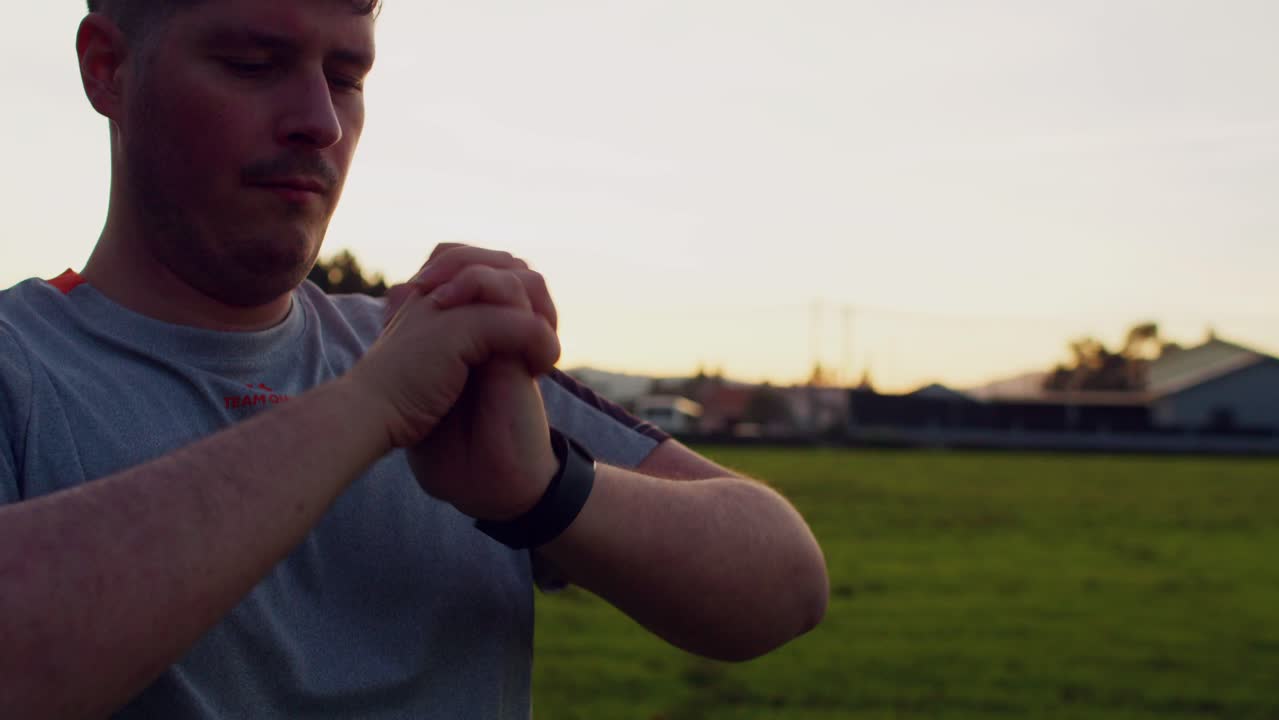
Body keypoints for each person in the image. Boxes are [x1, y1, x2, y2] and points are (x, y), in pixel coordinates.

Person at [0, 1, 829, 717]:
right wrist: (367, 411)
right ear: (107, 69)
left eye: (348, 76)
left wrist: (545, 492)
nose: (319, 120)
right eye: (253, 64)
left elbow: (788, 585)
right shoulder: (23, 366)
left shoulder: (431, 354)